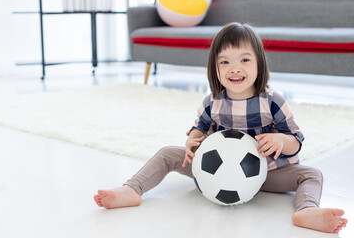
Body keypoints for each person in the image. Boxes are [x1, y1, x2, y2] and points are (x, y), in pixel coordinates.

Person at [94, 22, 348, 233]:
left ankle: (306, 210)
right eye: (224, 62)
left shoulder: (272, 101)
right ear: (214, 68)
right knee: (167, 154)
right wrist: (194, 140)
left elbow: (296, 139)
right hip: (215, 173)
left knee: (312, 174)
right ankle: (131, 189)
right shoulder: (212, 102)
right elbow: (199, 128)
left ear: (259, 63)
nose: (234, 68)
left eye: (245, 60)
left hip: (266, 173)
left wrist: (281, 140)